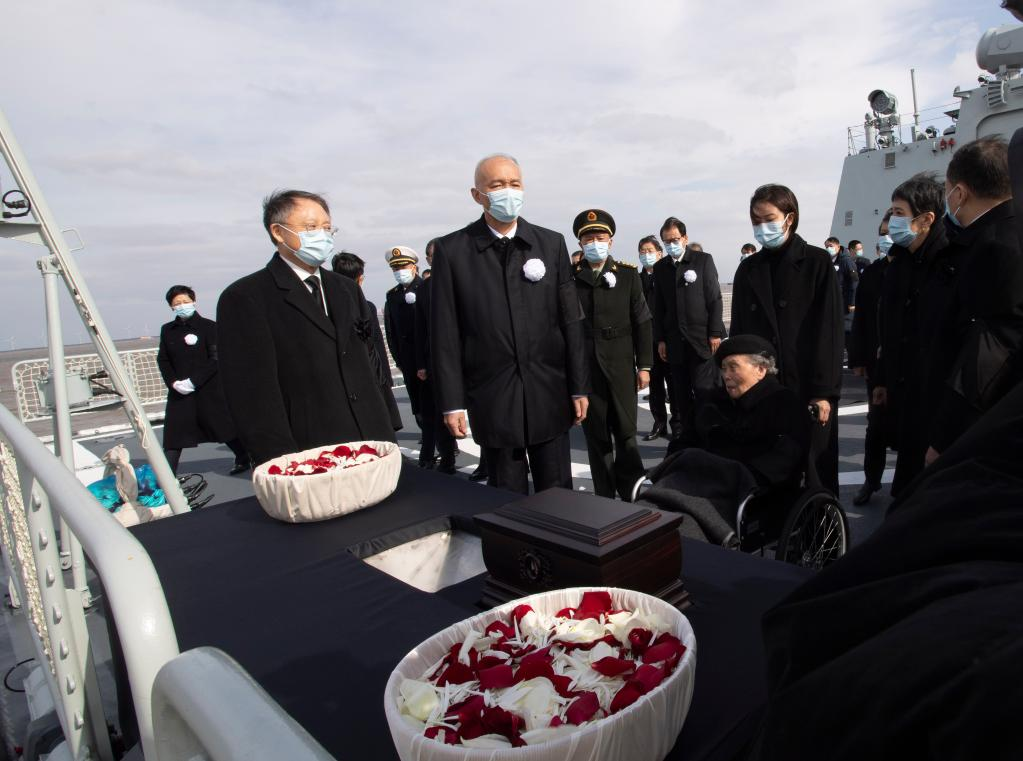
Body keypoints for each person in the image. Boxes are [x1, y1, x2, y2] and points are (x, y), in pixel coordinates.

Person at [430, 153, 589, 495]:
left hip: (549, 391)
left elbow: (571, 321)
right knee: (506, 500)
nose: (507, 192)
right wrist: (452, 401)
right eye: (497, 185)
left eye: (514, 184)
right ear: (478, 195)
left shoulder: (550, 244)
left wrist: (578, 386)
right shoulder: (453, 251)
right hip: (492, 396)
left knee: (559, 494)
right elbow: (444, 333)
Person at [217, 189, 395, 466]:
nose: (323, 236)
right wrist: (279, 462)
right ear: (278, 232)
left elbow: (369, 363)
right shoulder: (246, 297)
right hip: (308, 452)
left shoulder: (346, 289)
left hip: (372, 443)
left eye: (327, 228)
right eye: (311, 228)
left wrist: (387, 430)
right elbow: (252, 394)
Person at [731, 184, 844, 495]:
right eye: (755, 221)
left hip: (807, 384)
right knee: (770, 468)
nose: (761, 228)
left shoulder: (817, 263)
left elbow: (829, 332)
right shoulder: (748, 270)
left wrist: (824, 392)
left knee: (816, 470)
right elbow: (738, 333)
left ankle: (824, 540)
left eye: (768, 218)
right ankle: (783, 536)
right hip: (763, 387)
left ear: (789, 217)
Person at [920, 136, 1023, 465]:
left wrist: (945, 437)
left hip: (984, 424)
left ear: (959, 193)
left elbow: (991, 350)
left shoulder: (993, 247)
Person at [873, 173, 949, 496]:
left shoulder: (948, 262)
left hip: (934, 396)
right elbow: (887, 330)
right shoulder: (900, 263)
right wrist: (881, 379)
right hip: (902, 388)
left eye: (899, 213)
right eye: (892, 212)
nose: (892, 220)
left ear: (926, 219)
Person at [571, 209, 652, 500]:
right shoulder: (571, 279)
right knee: (597, 435)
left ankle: (632, 490)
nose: (595, 242)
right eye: (589, 238)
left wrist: (644, 365)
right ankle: (604, 495)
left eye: (600, 237)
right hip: (587, 366)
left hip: (620, 362)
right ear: (580, 244)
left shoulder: (628, 275)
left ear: (611, 241)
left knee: (626, 430)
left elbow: (642, 321)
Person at [670, 334, 809, 488]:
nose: (726, 376)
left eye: (733, 368)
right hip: (700, 482)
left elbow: (785, 458)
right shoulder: (710, 402)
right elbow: (685, 441)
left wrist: (739, 477)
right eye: (723, 369)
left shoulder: (784, 403)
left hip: (751, 494)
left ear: (761, 370)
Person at [157, 285, 249, 475]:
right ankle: (167, 477)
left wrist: (194, 382)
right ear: (171, 307)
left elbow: (215, 358)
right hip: (180, 392)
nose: (182, 306)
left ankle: (243, 457)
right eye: (177, 303)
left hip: (208, 388)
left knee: (224, 429)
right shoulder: (167, 330)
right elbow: (163, 359)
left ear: (193, 302)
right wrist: (174, 383)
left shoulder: (209, 327)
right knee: (174, 435)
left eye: (185, 302)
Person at [650, 216, 725, 440]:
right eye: (666, 241)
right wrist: (660, 339)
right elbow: (659, 306)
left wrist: (714, 333)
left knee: (704, 393)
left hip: (701, 340)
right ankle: (688, 438)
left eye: (674, 239)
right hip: (674, 342)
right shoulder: (660, 267)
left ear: (684, 238)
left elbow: (715, 299)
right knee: (680, 397)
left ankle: (709, 437)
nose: (671, 244)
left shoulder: (702, 260)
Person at [848, 213, 893, 505]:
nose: (886, 238)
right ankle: (871, 480)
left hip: (910, 363)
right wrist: (858, 359)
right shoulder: (873, 274)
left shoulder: (919, 269)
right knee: (875, 426)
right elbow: (861, 320)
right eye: (883, 233)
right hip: (878, 366)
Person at [331, 251, 402, 433]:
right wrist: (386, 379)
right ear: (360, 278)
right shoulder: (366, 306)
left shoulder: (326, 305)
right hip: (372, 377)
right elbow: (376, 345)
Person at [414, 238, 457, 473]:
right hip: (437, 361)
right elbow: (420, 329)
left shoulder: (463, 279)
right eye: (432, 257)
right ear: (428, 260)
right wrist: (421, 362)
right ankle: (448, 460)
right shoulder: (424, 289)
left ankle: (486, 463)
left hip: (469, 358)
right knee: (442, 412)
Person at [638, 235, 677, 440]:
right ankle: (659, 423)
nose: (646, 255)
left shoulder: (669, 275)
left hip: (668, 339)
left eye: (650, 251)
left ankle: (677, 425)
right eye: (642, 251)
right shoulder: (635, 279)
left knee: (674, 384)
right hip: (647, 341)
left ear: (659, 253)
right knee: (654, 386)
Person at [383, 246, 425, 431]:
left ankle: (446, 447)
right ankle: (427, 439)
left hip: (426, 355)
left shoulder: (426, 288)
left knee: (434, 403)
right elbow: (391, 330)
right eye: (396, 269)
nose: (400, 272)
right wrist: (398, 359)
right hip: (407, 359)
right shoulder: (392, 295)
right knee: (417, 404)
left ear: (414, 267)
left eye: (404, 267)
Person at [825, 235, 859, 340]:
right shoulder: (830, 260)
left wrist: (852, 302)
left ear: (838, 246)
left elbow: (854, 281)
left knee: (846, 329)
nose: (828, 248)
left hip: (845, 301)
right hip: (834, 300)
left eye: (830, 246)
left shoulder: (845, 261)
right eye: (826, 246)